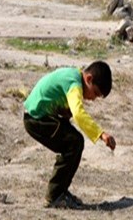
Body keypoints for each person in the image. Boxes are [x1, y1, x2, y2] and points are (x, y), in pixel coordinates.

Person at [23, 60, 117, 209]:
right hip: (36, 119)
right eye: (95, 93)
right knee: (74, 143)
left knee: (75, 142)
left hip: (40, 117)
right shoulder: (75, 84)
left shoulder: (73, 76)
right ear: (89, 79)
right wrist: (101, 134)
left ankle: (61, 192)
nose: (93, 99)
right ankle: (54, 196)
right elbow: (79, 114)